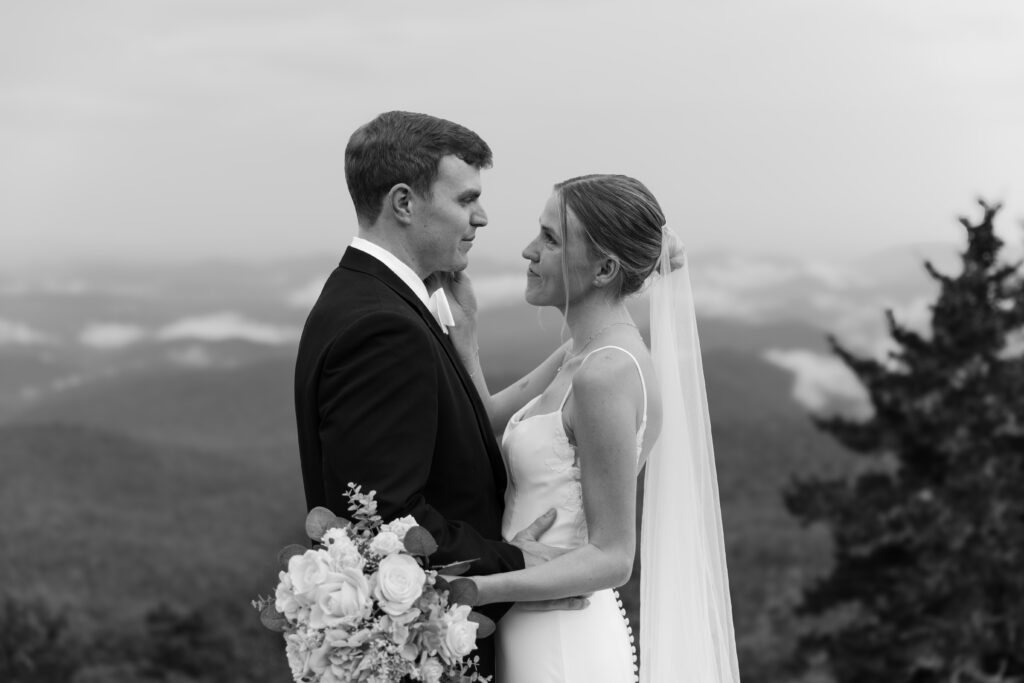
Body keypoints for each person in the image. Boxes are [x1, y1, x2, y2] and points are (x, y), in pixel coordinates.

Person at [293, 111, 581, 680]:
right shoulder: (384, 328)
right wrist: (517, 562)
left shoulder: (363, 297)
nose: (482, 216)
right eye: (465, 198)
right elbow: (388, 524)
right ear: (404, 203)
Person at [442, 174, 741, 682]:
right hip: (528, 624)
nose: (528, 251)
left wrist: (476, 587)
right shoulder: (579, 352)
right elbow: (483, 423)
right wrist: (468, 342)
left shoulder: (607, 372)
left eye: (551, 240)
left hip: (562, 643)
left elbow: (612, 556)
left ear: (604, 268)